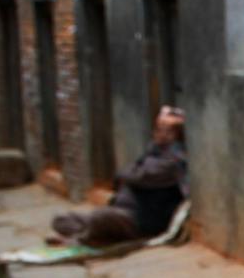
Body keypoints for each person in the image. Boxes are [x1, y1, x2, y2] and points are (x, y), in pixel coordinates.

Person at [49, 106, 188, 247]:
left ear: (176, 134)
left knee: (100, 217)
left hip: (138, 219)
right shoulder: (153, 152)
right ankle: (91, 235)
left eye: (166, 130)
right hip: (120, 211)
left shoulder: (173, 161)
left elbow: (136, 176)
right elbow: (129, 172)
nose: (159, 133)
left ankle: (83, 239)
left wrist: (124, 172)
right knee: (60, 219)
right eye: (158, 128)